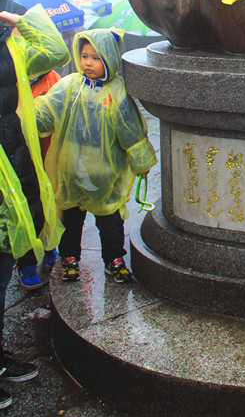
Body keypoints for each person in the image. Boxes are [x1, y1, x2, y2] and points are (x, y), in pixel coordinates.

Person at [34, 28, 157, 283]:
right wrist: (24, 108)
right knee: (71, 220)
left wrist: (141, 162)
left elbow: (131, 132)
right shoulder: (69, 86)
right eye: (84, 56)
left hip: (105, 174)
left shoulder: (118, 92)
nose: (88, 63)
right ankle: (69, 258)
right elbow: (47, 111)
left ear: (110, 59)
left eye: (96, 57)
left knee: (109, 221)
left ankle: (113, 258)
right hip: (71, 171)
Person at [0, 0, 70, 410]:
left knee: (6, 255)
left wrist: (18, 21)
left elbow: (55, 49)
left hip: (13, 154)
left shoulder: (11, 44)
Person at [15, 69, 62, 290]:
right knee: (24, 209)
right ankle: (27, 261)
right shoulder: (11, 82)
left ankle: (49, 243)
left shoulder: (52, 78)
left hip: (47, 157)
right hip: (19, 158)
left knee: (48, 204)